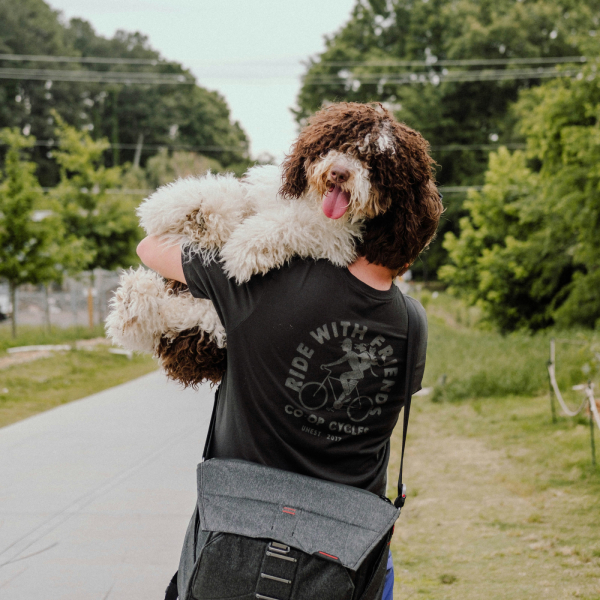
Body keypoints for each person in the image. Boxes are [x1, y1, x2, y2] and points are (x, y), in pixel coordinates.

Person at [137, 235, 429, 598]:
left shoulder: (267, 283)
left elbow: (151, 247)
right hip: (346, 548)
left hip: (235, 530)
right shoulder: (413, 322)